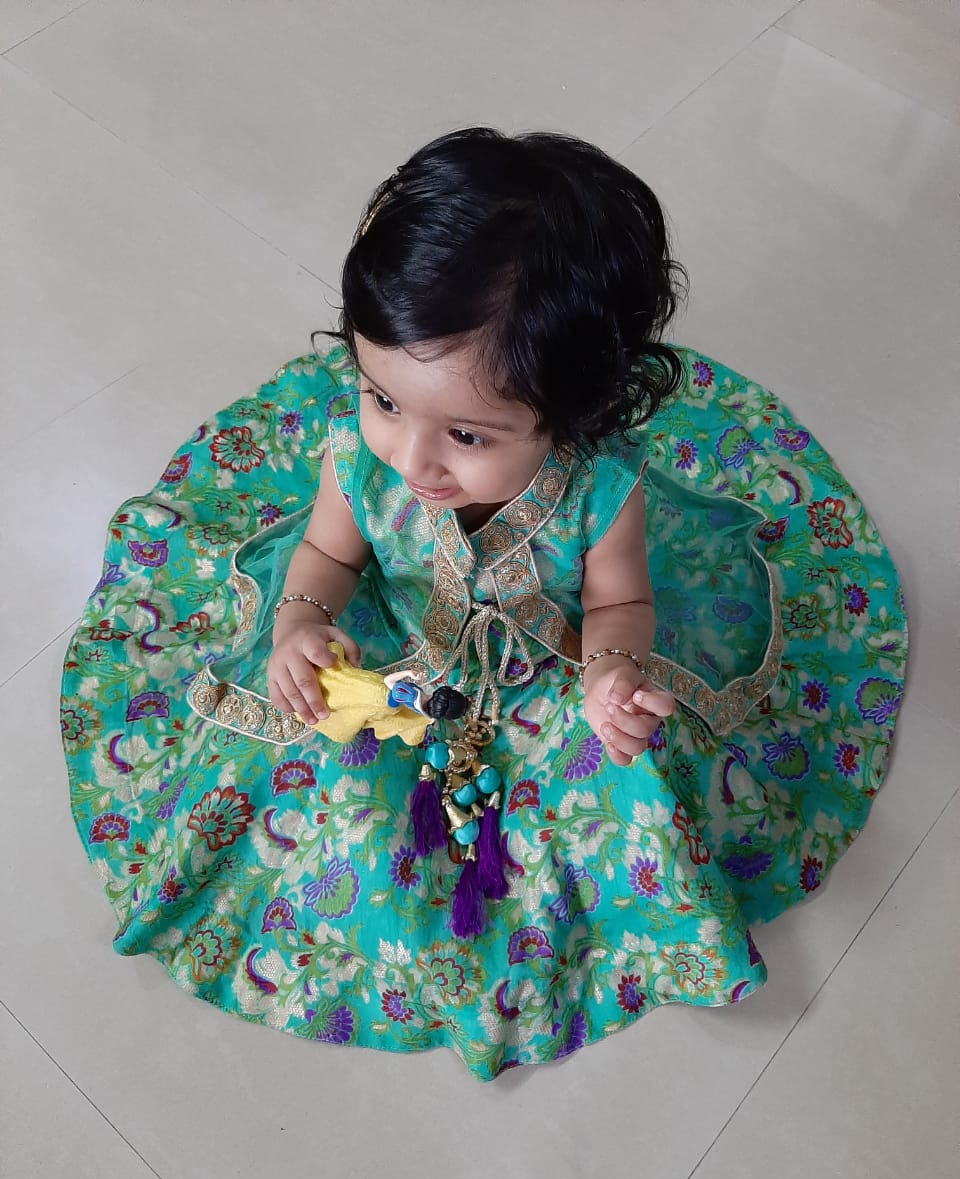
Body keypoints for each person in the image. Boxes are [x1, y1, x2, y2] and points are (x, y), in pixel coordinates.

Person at [61, 128, 907, 1080]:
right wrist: (300, 619)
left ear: (572, 415)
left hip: (552, 660)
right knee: (303, 750)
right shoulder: (358, 459)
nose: (413, 459)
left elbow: (621, 600)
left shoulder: (601, 489)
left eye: (466, 435)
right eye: (385, 400)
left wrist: (612, 671)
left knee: (636, 765)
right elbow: (327, 553)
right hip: (387, 636)